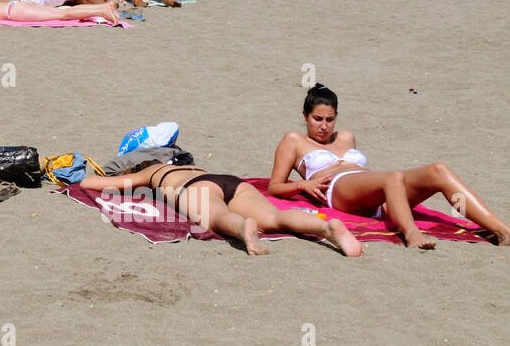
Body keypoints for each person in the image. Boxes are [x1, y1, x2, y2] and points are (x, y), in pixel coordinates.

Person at [268, 84, 509, 248]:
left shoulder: (346, 137)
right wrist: (303, 184)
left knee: (439, 170)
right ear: (304, 115)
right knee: (392, 177)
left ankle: (501, 231)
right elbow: (274, 188)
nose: (324, 126)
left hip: (372, 193)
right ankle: (412, 234)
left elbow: (362, 175)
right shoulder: (294, 140)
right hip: (338, 191)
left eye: (330, 120)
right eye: (317, 119)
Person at [79, 158, 361, 257]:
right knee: (275, 217)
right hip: (230, 181)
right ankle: (326, 227)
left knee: (217, 218)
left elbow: (99, 183)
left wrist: (86, 178)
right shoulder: (187, 164)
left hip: (195, 188)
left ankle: (242, 228)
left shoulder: (154, 171)